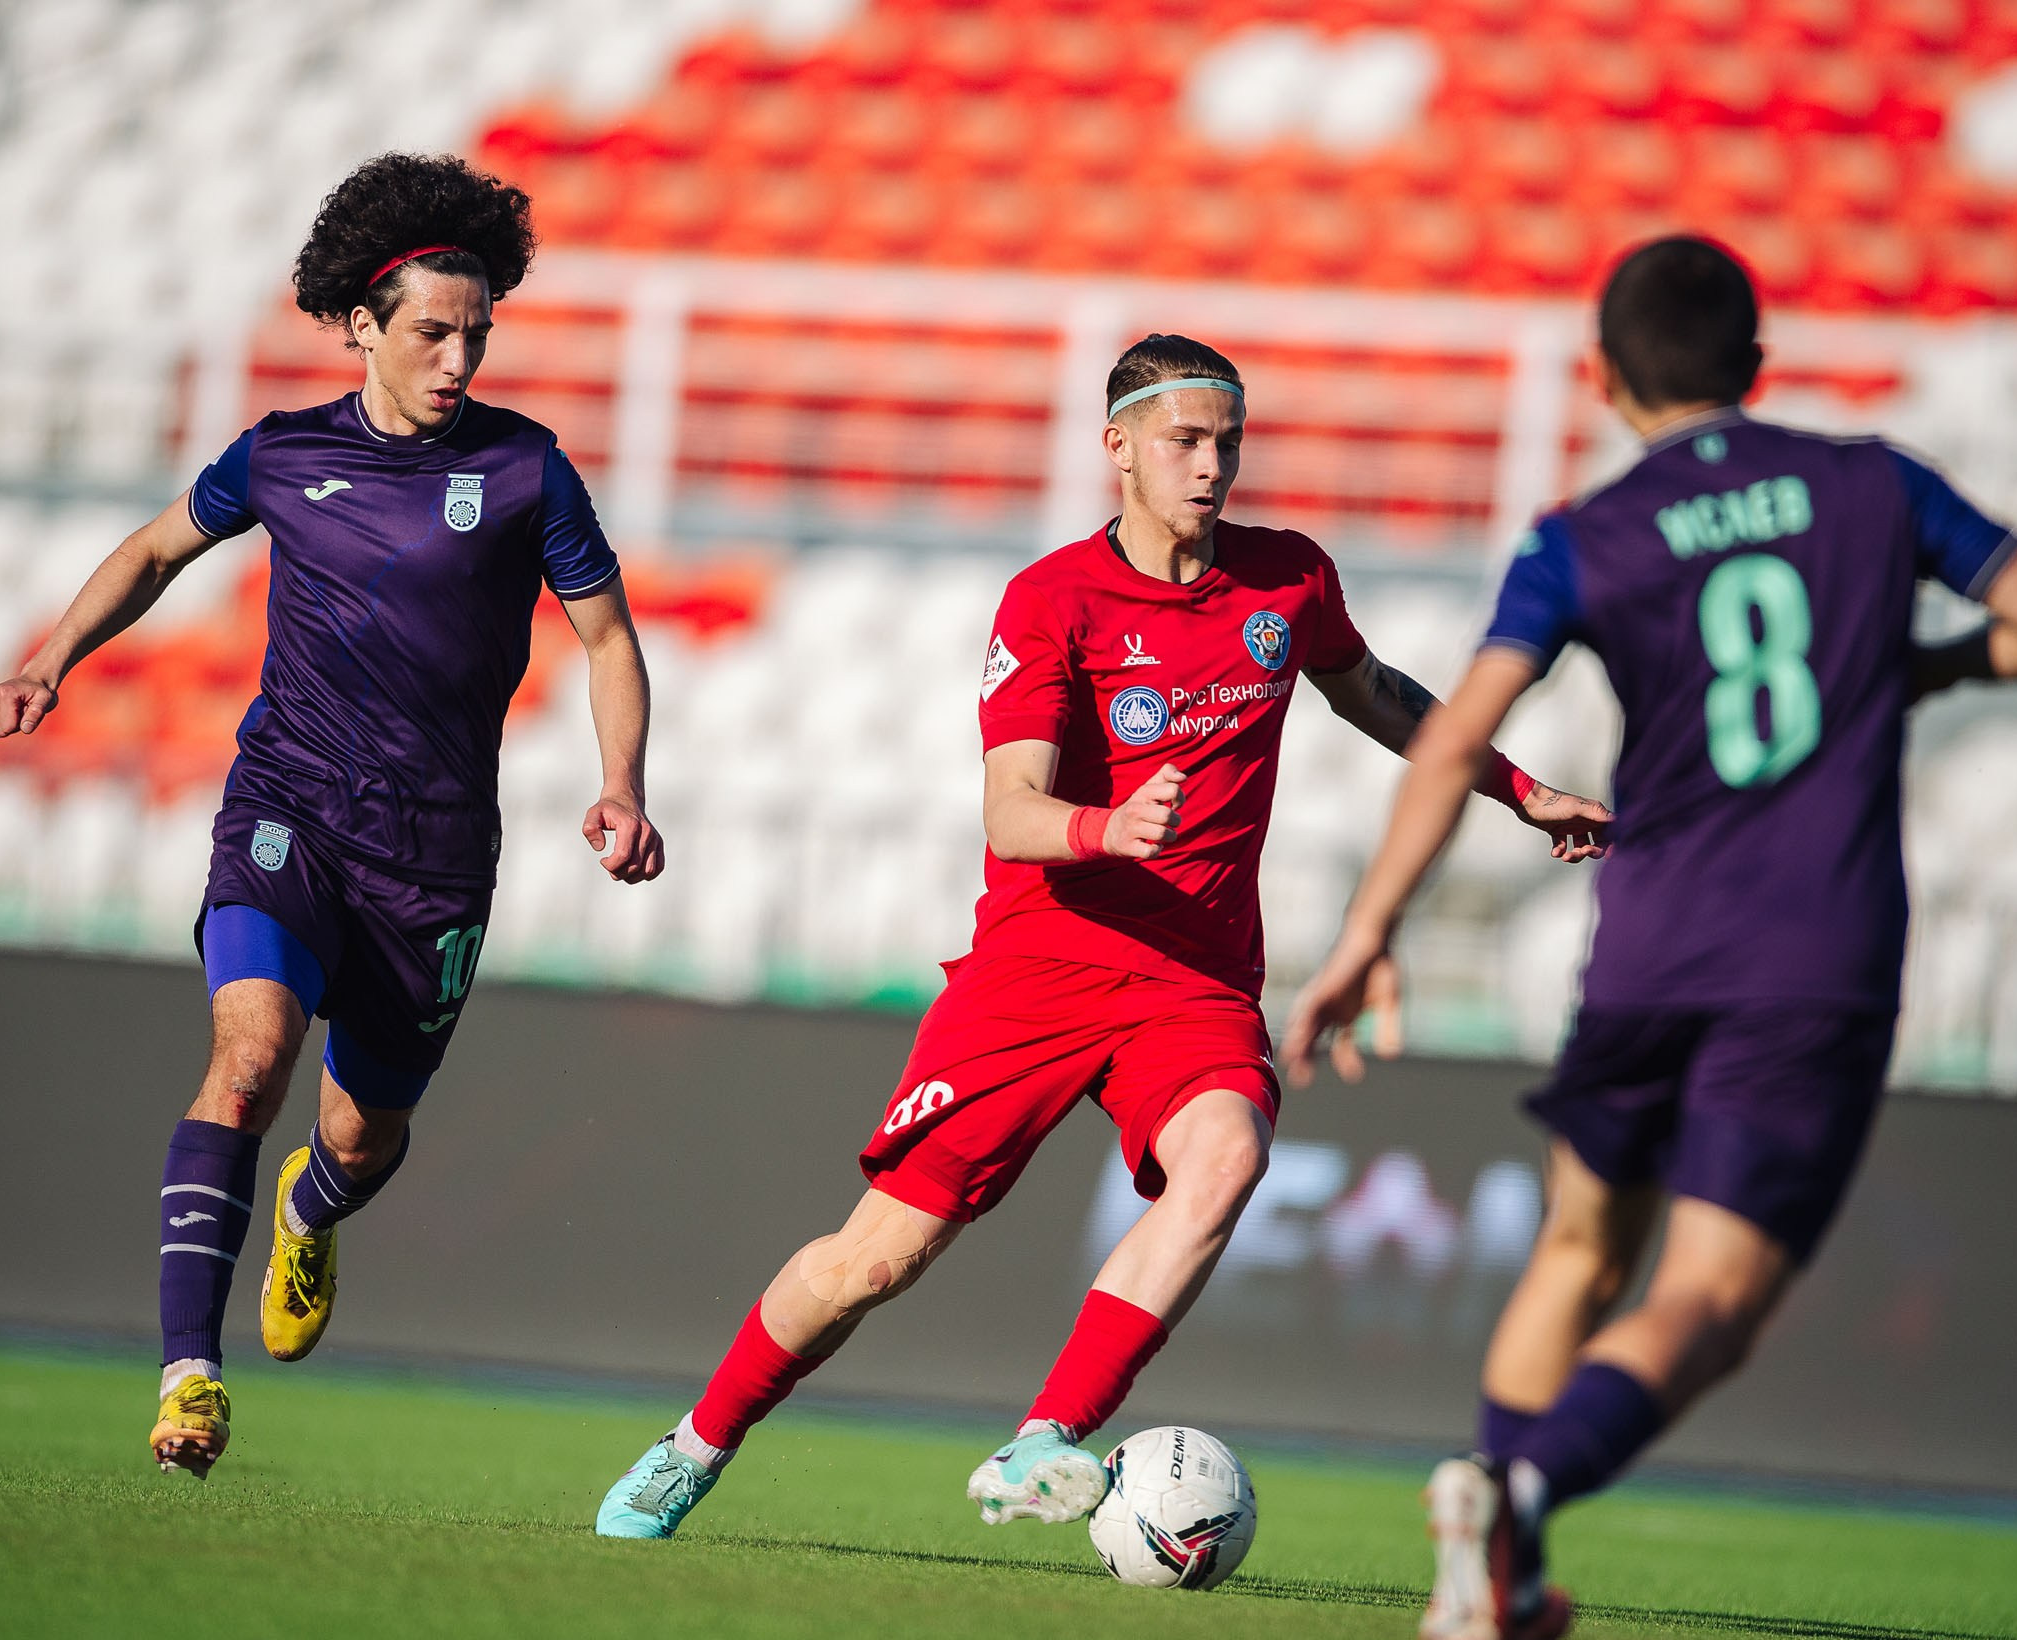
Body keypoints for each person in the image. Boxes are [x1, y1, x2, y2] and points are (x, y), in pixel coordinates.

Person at [594, 334, 1611, 1540]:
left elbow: (1379, 690)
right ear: (1118, 447)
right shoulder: (1051, 601)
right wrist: (1103, 824)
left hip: (1192, 981)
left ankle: (1043, 1441)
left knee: (1227, 1155)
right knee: (874, 1261)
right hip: (1036, 969)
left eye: (1227, 442)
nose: (1212, 465)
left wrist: (1517, 784)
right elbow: (1007, 807)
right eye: (1186, 439)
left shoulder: (1287, 580)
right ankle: (695, 1442)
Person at [1281, 236, 2017, 1640]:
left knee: (1580, 1248)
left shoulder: (1585, 535)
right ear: (1758, 365)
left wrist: (1368, 931)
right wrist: (1921, 671)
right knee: (1708, 1300)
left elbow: (1458, 735)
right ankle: (1520, 1497)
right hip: (1808, 961)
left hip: (1647, 951)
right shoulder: (1873, 483)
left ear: (1602, 380)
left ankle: (1485, 1566)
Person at [0, 153, 664, 1479]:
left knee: (359, 1132)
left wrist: (622, 785)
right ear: (362, 324)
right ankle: (188, 1380)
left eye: (477, 334)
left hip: (438, 853)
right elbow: (155, 551)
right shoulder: (283, 454)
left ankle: (313, 1208)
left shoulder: (526, 471)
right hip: (288, 809)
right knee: (249, 1059)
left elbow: (611, 640)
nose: (458, 359)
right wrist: (49, 659)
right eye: (431, 334)